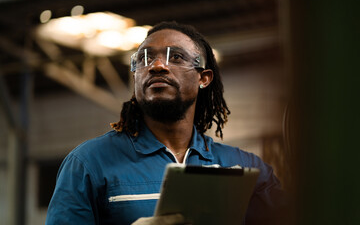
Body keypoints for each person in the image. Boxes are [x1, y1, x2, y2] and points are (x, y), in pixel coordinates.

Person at [45, 21, 285, 225]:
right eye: (144, 58)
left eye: (176, 57)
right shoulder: (88, 164)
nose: (157, 66)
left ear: (204, 77)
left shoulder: (244, 168)